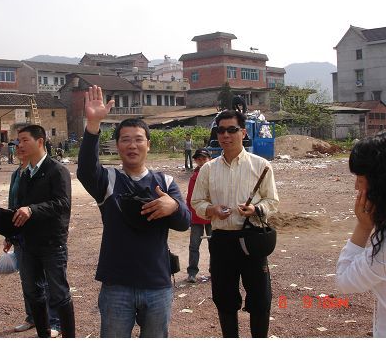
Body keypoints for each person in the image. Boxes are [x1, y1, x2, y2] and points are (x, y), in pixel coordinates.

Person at [77, 85, 190, 338]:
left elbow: (185, 222)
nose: (132, 145)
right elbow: (85, 170)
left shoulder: (166, 182)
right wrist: (93, 124)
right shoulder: (108, 180)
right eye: (125, 139)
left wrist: (173, 206)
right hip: (117, 284)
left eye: (138, 139)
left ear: (148, 145)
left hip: (157, 284)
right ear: (117, 145)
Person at [191, 109, 279, 338]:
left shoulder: (261, 165)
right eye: (220, 130)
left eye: (231, 130)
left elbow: (272, 201)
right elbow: (196, 202)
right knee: (224, 299)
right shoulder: (207, 169)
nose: (225, 135)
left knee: (260, 299)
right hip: (222, 241)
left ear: (242, 132)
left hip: (252, 240)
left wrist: (256, 209)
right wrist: (211, 209)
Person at [336, 131, 386, 338]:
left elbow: (345, 281)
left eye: (360, 179)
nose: (356, 187)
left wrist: (363, 227)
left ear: (382, 184)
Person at [13, 124, 75, 338]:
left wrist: (32, 210)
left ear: (40, 142)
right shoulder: (25, 173)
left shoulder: (57, 170)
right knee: (33, 292)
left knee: (58, 294)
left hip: (52, 243)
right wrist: (11, 232)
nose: (19, 145)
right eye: (18, 140)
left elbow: (63, 203)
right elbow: (20, 205)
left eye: (24, 140)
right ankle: (44, 334)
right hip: (28, 243)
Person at [4, 146, 60, 337]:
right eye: (18, 146)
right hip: (20, 234)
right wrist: (9, 235)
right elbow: (13, 204)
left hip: (40, 235)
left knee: (46, 281)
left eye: (24, 145)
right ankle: (33, 317)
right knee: (27, 280)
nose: (20, 149)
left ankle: (53, 321)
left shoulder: (44, 173)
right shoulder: (16, 174)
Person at [186, 148, 212, 283]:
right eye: (198, 159)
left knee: (214, 245)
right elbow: (190, 197)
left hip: (212, 216)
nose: (201, 162)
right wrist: (188, 213)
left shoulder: (214, 174)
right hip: (196, 216)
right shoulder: (194, 176)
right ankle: (192, 273)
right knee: (194, 246)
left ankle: (215, 271)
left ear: (209, 159)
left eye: (204, 159)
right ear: (195, 161)